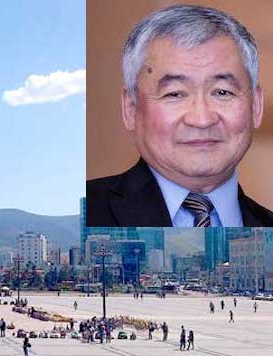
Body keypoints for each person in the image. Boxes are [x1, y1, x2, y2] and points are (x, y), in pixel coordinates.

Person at [86, 5, 273, 227]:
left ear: (256, 107)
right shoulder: (86, 214)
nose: (202, 119)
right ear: (131, 109)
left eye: (223, 92)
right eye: (175, 94)